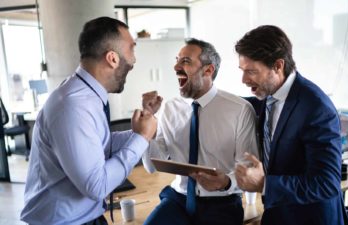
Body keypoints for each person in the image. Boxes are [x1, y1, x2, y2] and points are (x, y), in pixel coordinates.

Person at [20, 17, 157, 225]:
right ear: (112, 58)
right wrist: (141, 138)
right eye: (131, 49)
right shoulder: (73, 106)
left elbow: (96, 145)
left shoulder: (85, 95)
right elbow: (97, 186)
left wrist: (140, 132)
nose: (134, 60)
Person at [234, 25, 348, 225]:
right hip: (276, 214)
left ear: (278, 66)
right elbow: (233, 104)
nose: (244, 79)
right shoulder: (265, 97)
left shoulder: (316, 107)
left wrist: (265, 184)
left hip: (311, 219)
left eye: (251, 71)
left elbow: (327, 183)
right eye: (242, 71)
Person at [141, 38, 259, 225]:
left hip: (222, 202)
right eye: (177, 60)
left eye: (185, 61)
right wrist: (146, 129)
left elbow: (249, 168)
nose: (176, 66)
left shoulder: (240, 109)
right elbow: (151, 166)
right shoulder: (170, 108)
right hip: (178, 198)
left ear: (208, 70)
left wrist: (225, 182)